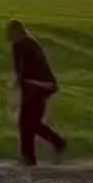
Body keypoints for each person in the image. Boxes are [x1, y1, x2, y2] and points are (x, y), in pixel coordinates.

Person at [6, 19, 67, 166]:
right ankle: (51, 146)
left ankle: (30, 158)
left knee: (26, 122)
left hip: (35, 87)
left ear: (15, 32)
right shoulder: (30, 42)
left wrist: (17, 83)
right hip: (45, 85)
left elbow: (21, 69)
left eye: (9, 33)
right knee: (31, 123)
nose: (7, 36)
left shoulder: (19, 44)